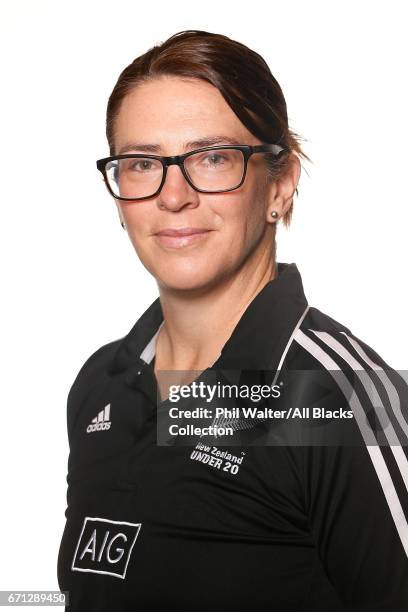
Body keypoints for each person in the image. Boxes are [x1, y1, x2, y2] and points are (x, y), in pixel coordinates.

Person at [57, 30, 408, 611]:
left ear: (281, 182)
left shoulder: (335, 398)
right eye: (144, 163)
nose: (174, 196)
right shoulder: (101, 384)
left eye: (212, 158)